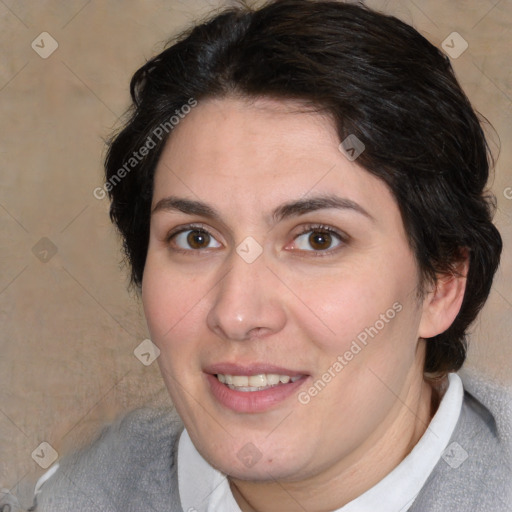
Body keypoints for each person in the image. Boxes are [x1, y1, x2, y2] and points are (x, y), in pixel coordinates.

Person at [31, 0, 512, 510]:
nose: (237, 314)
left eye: (318, 239)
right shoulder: (73, 494)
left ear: (442, 284)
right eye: (196, 238)